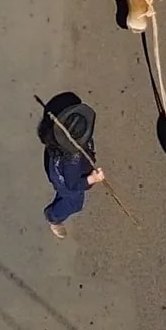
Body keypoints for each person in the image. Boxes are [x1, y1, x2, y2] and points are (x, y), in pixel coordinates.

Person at [41, 91, 104, 233]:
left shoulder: (57, 138)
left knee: (63, 192)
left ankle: (59, 199)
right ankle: (53, 217)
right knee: (74, 203)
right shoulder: (72, 161)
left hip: (57, 170)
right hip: (67, 183)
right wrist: (93, 178)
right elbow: (73, 184)